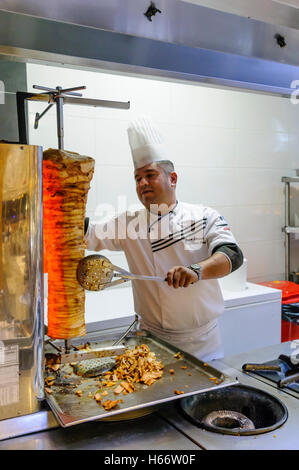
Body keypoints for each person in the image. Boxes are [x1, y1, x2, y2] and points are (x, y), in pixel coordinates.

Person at [85, 116, 243, 361]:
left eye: (150, 174)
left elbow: (231, 255)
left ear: (173, 178)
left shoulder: (203, 216)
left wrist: (196, 271)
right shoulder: (128, 223)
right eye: (137, 178)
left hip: (202, 344)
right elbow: (87, 234)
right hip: (150, 342)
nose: (143, 183)